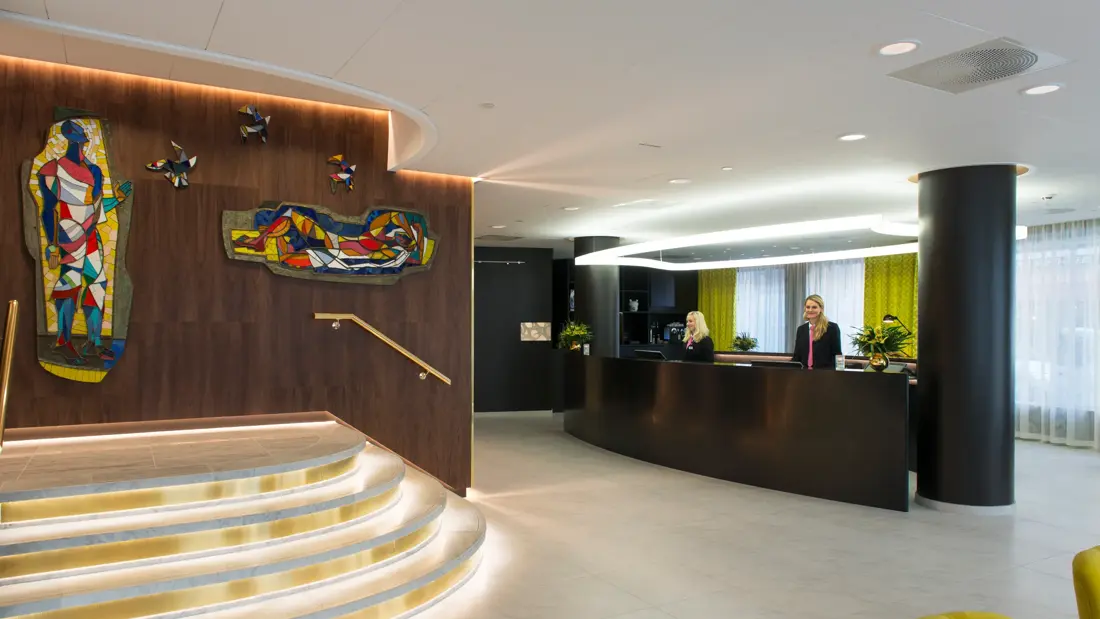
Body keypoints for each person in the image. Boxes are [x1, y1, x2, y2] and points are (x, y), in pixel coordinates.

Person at [791, 294, 842, 370]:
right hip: (803, 373)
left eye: (814, 307)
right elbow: (797, 356)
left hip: (825, 373)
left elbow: (837, 354)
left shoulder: (832, 328)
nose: (810, 310)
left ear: (821, 309)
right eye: (808, 307)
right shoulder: (801, 330)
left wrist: (839, 373)